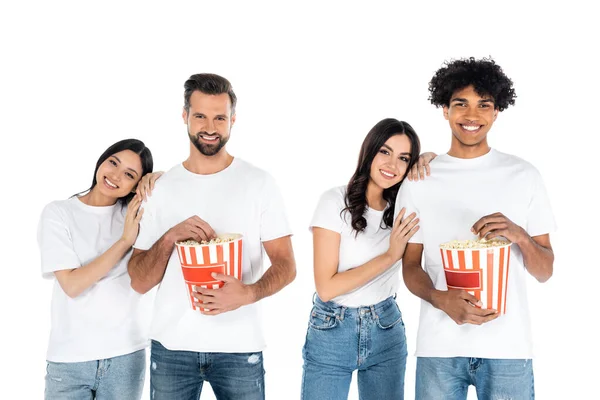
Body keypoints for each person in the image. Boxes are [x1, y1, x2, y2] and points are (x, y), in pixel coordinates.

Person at [127, 73, 296, 400]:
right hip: (172, 347)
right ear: (184, 116)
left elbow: (287, 265)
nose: (210, 127)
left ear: (233, 120)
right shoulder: (159, 188)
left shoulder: (259, 183)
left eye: (220, 117)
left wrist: (248, 293)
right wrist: (168, 239)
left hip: (239, 349)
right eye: (200, 116)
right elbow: (138, 281)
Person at [396, 57, 556, 399]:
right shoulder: (420, 178)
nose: (472, 115)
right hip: (439, 349)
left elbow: (545, 271)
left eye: (484, 105)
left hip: (508, 349)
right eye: (461, 104)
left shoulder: (524, 175)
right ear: (444, 109)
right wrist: (440, 299)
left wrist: (520, 236)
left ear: (496, 111)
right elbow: (410, 265)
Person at [301, 118, 429, 400]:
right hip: (332, 329)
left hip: (386, 328)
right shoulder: (334, 202)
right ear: (369, 152)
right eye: (385, 152)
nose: (392, 165)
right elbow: (327, 287)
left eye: (403, 158)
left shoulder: (402, 210)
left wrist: (430, 159)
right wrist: (391, 255)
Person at [38, 139, 155, 399]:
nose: (115, 175)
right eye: (113, 162)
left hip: (125, 356)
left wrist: (159, 178)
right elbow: (72, 285)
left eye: (129, 175)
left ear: (136, 185)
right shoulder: (59, 213)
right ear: (102, 159)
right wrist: (125, 240)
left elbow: (179, 196)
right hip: (69, 359)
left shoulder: (136, 214)